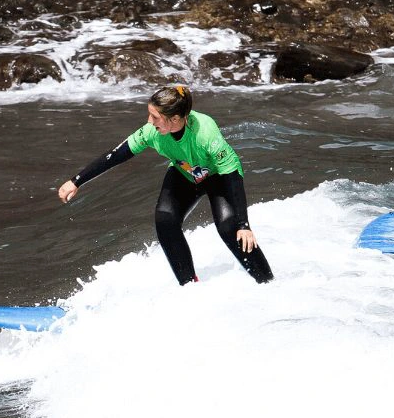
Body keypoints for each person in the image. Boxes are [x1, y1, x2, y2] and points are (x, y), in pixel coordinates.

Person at [58, 85, 274, 285]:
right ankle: (190, 286)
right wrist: (76, 181)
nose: (149, 121)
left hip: (219, 176)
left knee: (230, 227)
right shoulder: (151, 132)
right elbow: (115, 155)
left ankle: (268, 283)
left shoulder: (205, 132)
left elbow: (232, 175)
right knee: (165, 218)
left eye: (155, 117)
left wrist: (244, 225)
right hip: (185, 172)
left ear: (175, 119)